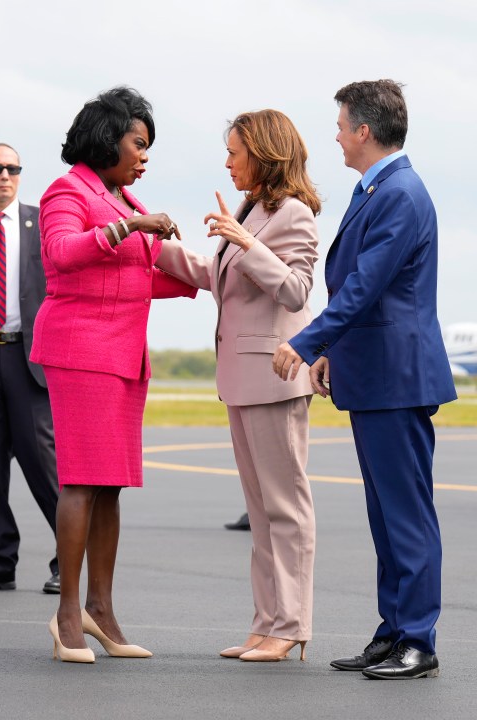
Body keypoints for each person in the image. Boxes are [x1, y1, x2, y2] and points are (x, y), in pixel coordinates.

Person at [273, 80, 456, 679]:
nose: (336, 135)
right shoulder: (380, 187)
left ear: (364, 132)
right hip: (375, 373)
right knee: (385, 514)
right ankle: (394, 628)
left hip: (396, 378)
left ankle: (418, 639)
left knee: (406, 513)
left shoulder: (399, 192)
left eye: (341, 124)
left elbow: (365, 286)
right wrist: (336, 354)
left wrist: (306, 343)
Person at [30, 87, 197, 663]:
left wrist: (212, 274)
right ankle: (67, 615)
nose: (145, 154)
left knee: (109, 485)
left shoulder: (122, 196)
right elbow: (62, 252)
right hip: (81, 350)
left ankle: (101, 609)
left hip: (124, 354)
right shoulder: (67, 190)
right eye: (138, 142)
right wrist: (131, 229)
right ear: (108, 138)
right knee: (79, 480)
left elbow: (134, 278)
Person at [156, 109, 320, 662]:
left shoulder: (292, 214)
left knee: (285, 508)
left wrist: (247, 242)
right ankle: (267, 619)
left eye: (234, 152)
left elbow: (296, 292)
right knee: (259, 508)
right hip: (241, 379)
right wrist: (161, 247)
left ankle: (292, 624)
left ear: (264, 154)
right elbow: (218, 276)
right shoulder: (250, 210)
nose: (227, 163)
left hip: (274, 380)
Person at [0, 143, 60, 595]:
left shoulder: (40, 223)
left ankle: (70, 559)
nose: (4, 175)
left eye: (12, 168)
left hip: (26, 357)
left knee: (42, 460)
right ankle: (1, 562)